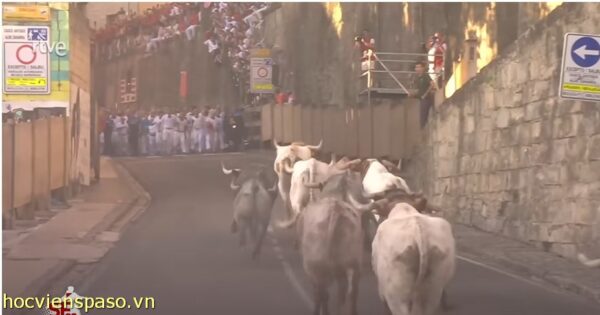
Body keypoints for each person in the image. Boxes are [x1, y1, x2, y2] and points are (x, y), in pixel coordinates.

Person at [409, 61, 436, 128]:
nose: (417, 69)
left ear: (423, 68)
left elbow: (432, 84)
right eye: (416, 67)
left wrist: (425, 94)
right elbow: (419, 92)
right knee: (422, 119)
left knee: (423, 118)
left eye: (419, 67)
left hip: (427, 99)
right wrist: (412, 95)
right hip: (422, 99)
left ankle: (424, 130)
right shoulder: (417, 78)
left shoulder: (425, 75)